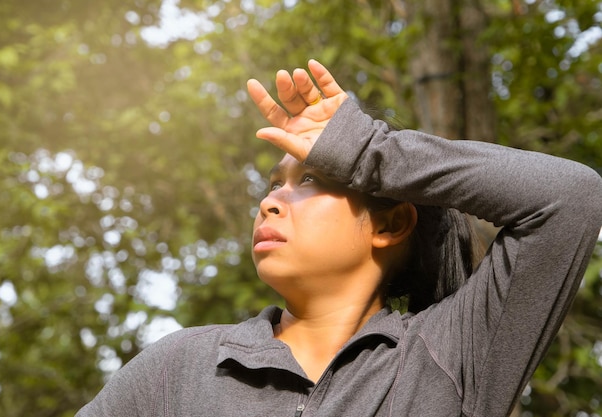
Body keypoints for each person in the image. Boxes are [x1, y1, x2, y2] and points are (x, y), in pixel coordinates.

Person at [76, 60, 602, 417]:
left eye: (309, 180)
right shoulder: (179, 368)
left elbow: (569, 199)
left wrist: (367, 151)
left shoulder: (454, 356)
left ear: (390, 224)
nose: (269, 201)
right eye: (272, 186)